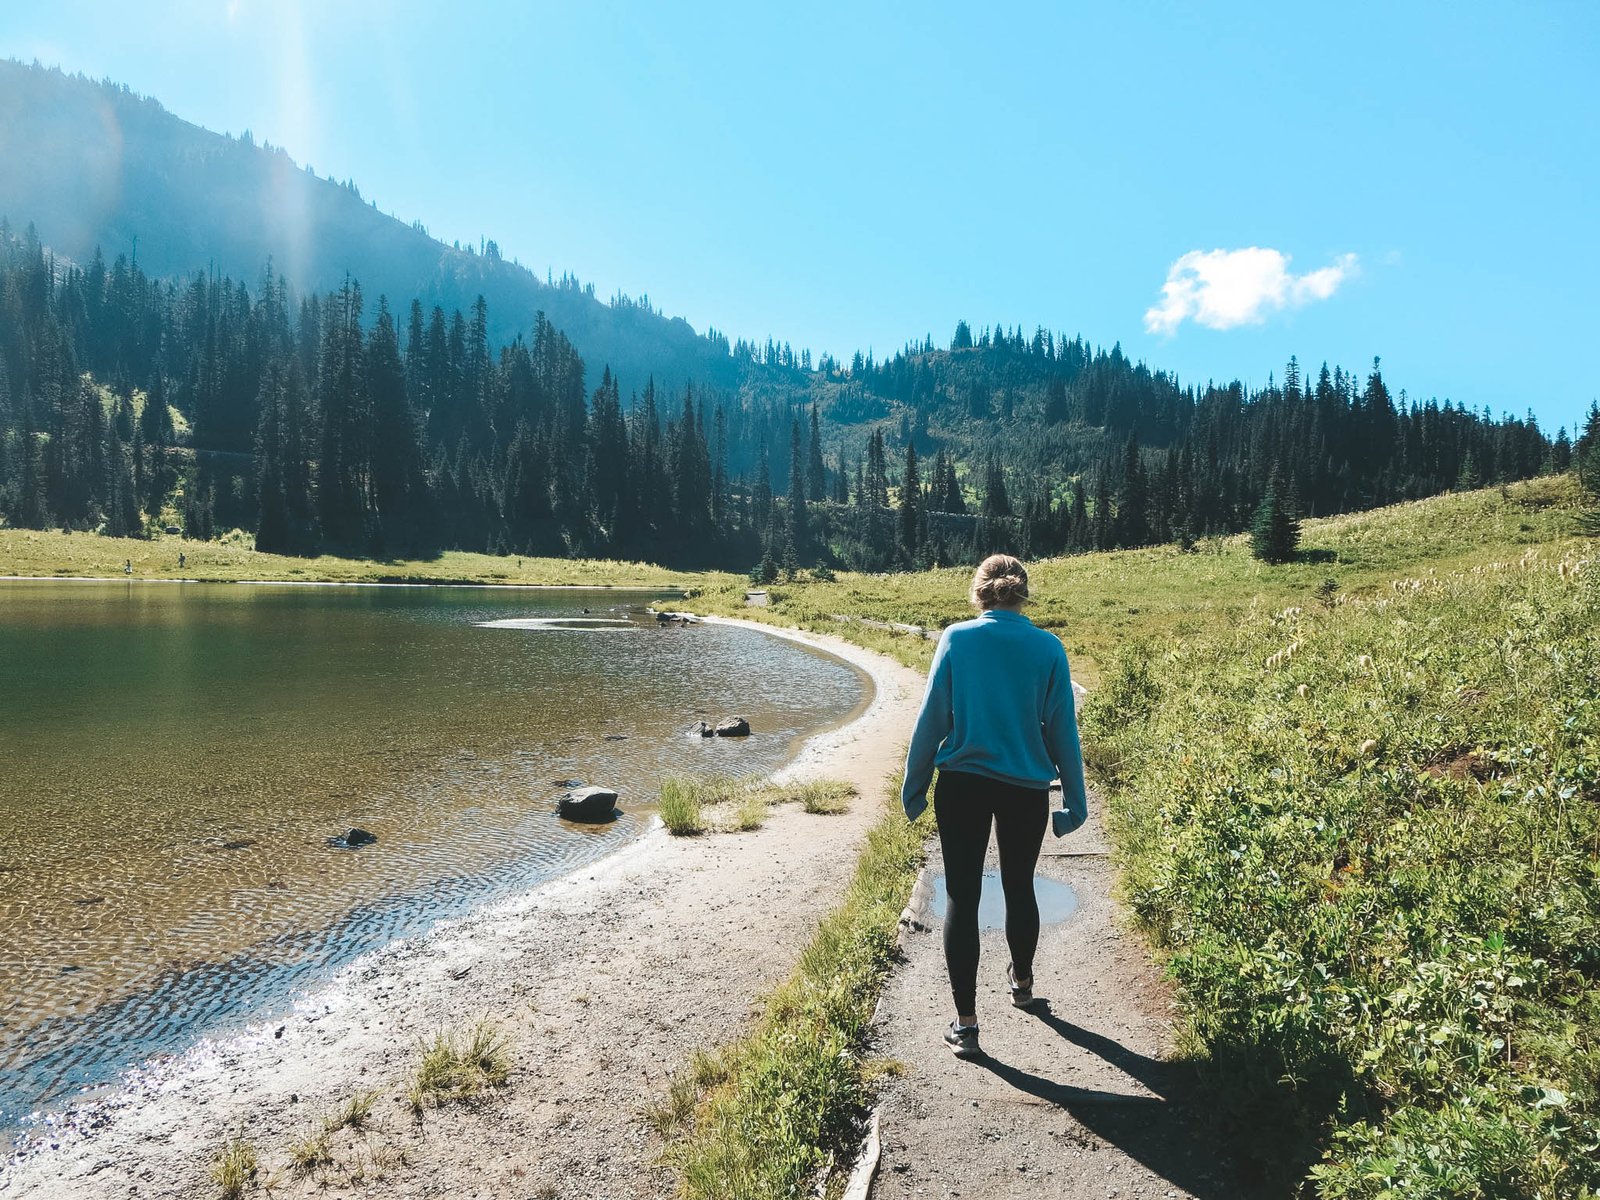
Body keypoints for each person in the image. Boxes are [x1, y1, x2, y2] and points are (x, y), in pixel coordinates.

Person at [901, 553, 1088, 1058]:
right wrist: (1075, 799)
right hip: (1024, 788)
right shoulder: (1048, 647)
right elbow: (1062, 730)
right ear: (1022, 592)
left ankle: (966, 1025)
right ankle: (1022, 985)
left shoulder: (957, 639)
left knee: (962, 895)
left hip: (962, 784)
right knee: (1018, 885)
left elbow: (933, 716)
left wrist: (914, 785)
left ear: (978, 591)